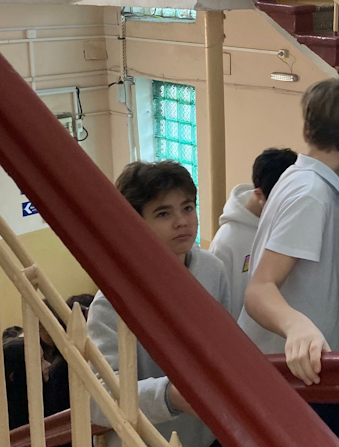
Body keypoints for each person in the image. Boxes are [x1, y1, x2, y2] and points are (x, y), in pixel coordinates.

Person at [239, 78, 339, 447]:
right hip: (291, 374)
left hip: (306, 369)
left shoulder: (306, 182)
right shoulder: (311, 194)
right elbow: (259, 290)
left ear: (307, 131)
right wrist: (297, 326)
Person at [88, 160, 232, 447]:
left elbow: (228, 347)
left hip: (209, 435)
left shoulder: (213, 269)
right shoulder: (111, 302)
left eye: (187, 207)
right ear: (134, 224)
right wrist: (170, 396)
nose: (182, 221)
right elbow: (98, 399)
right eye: (164, 213)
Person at [211, 148, 298, 319]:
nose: (290, 208)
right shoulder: (226, 242)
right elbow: (218, 306)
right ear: (259, 195)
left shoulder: (291, 225)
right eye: (282, 201)